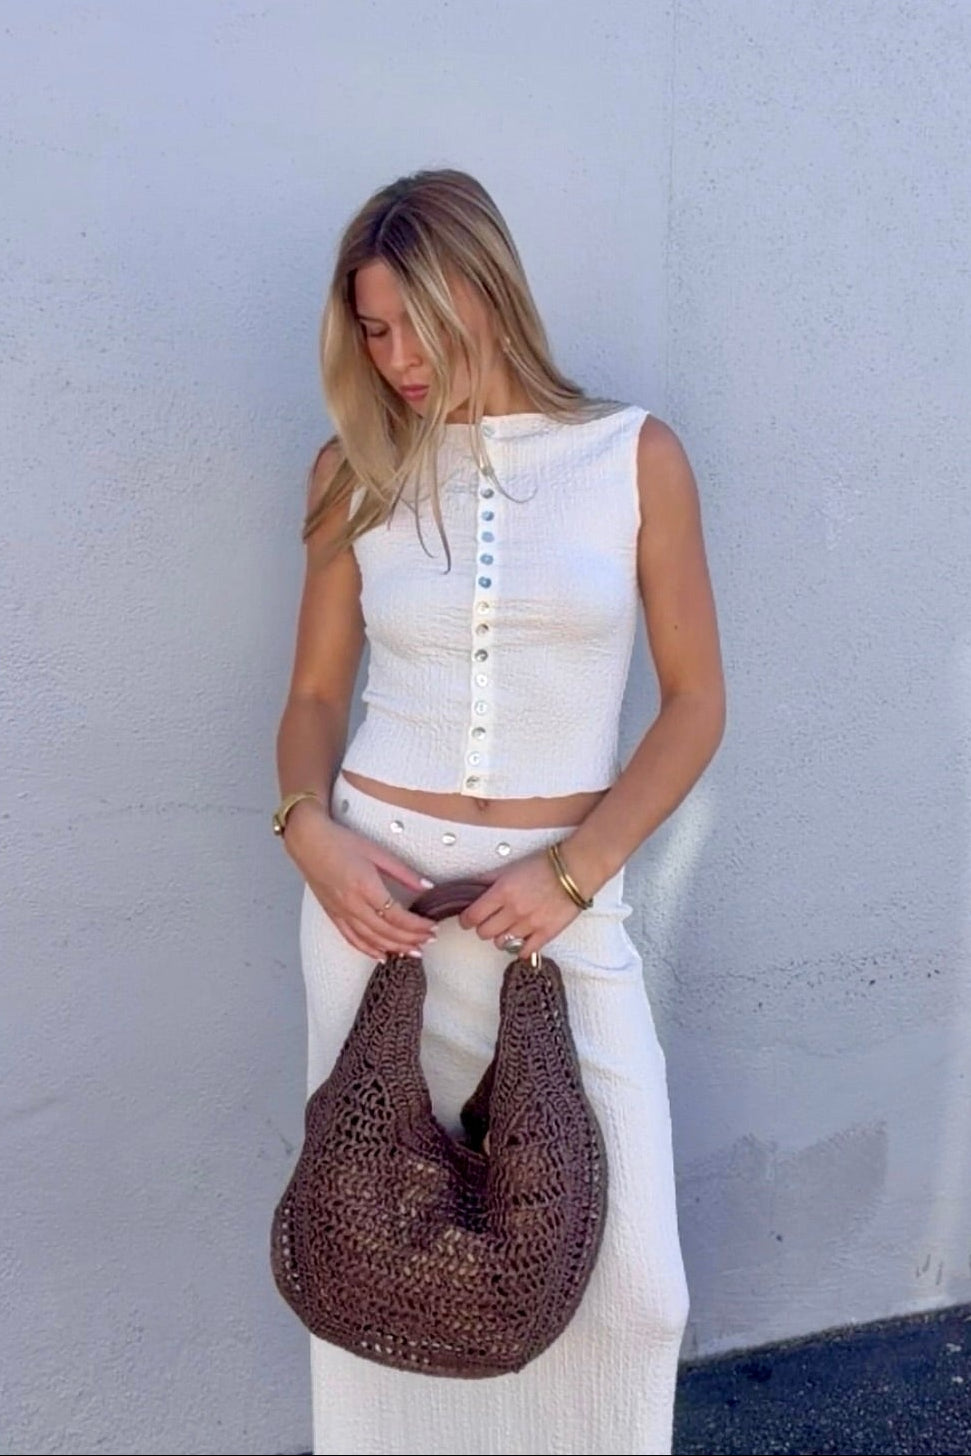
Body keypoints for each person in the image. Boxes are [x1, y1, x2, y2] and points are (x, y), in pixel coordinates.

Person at [272, 168, 725, 1456]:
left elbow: (695, 703)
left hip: (560, 913)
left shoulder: (632, 455)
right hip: (376, 915)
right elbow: (314, 695)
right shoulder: (352, 471)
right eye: (373, 330)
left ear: (489, 291)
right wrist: (308, 833)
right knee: (378, 1259)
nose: (397, 360)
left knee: (636, 1296)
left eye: (418, 324)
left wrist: (576, 873)